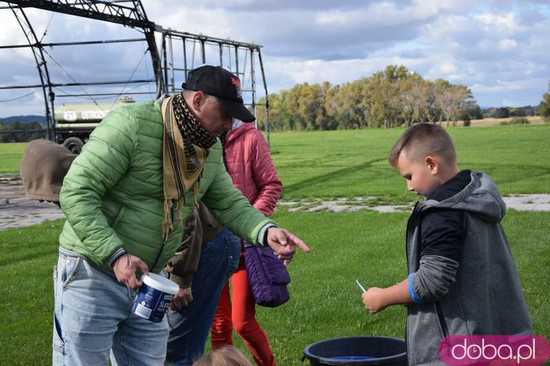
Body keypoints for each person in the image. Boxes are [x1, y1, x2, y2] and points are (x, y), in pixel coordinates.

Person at [53, 65, 310, 366]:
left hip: (148, 279)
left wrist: (266, 231)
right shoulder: (130, 124)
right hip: (93, 271)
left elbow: (229, 203)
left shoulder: (208, 148)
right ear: (198, 100)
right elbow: (76, 191)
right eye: (224, 113)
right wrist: (116, 255)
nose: (229, 124)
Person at [362, 123, 532, 365]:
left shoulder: (441, 214)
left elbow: (432, 281)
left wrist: (383, 297)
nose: (409, 186)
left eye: (409, 176)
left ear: (431, 165)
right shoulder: (477, 194)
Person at [210, 119, 282, 366]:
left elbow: (271, 185)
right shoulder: (202, 136)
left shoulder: (251, 137)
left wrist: (248, 222)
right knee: (218, 324)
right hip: (210, 248)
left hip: (243, 249)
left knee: (242, 322)